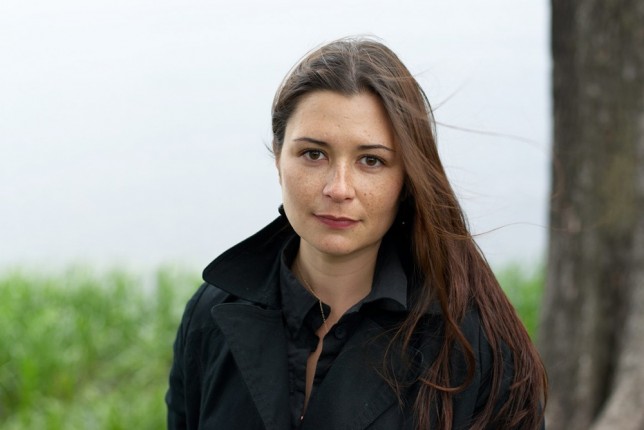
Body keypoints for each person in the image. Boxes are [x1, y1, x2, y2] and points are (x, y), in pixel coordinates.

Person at [166, 37, 547, 430]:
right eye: (314, 154)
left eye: (371, 161)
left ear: (407, 178)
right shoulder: (210, 313)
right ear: (278, 158)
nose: (339, 188)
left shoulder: (475, 344)